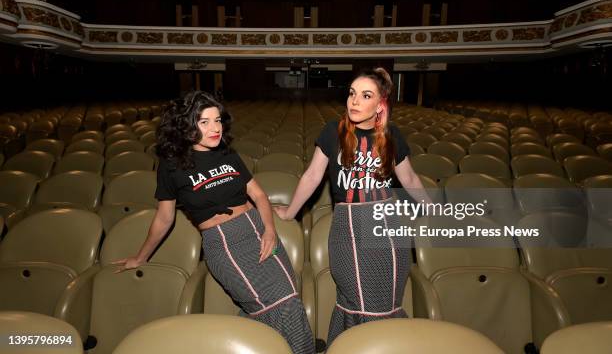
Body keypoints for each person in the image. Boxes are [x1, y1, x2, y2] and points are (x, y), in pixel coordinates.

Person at [113, 91, 315, 354]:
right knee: (279, 307)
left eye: (217, 120)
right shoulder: (171, 167)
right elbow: (164, 218)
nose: (215, 128)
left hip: (257, 229)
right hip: (225, 244)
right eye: (204, 122)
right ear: (186, 126)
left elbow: (259, 195)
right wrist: (141, 257)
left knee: (290, 302)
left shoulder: (227, 154)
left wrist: (270, 230)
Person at [275, 67, 432, 347]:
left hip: (389, 229)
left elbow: (409, 177)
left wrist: (433, 210)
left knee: (384, 303)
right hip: (348, 229)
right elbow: (312, 176)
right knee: (355, 299)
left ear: (380, 104)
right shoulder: (332, 132)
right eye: (351, 93)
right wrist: (290, 212)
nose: (354, 101)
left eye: (365, 95)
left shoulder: (392, 135)